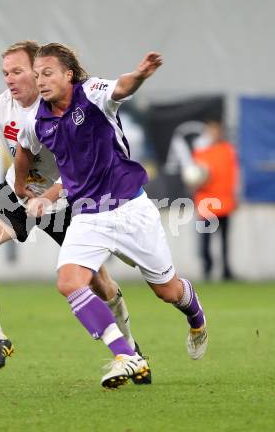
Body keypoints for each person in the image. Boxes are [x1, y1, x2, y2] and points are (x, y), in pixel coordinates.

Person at [0, 41, 150, 382]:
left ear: (39, 72)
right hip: (21, 193)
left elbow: (92, 153)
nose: (11, 79)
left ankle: (131, 351)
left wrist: (51, 196)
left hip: (71, 198)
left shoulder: (65, 102)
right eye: (6, 73)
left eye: (18, 71)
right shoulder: (1, 106)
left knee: (99, 282)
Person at [15, 43, 207, 389]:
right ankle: (126, 354)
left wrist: (140, 76)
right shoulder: (36, 121)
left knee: (167, 291)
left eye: (48, 73)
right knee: (69, 282)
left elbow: (122, 86)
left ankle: (196, 317)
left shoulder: (91, 93)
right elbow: (26, 153)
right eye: (37, 74)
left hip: (131, 210)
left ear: (68, 74)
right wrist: (35, 194)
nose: (40, 81)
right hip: (87, 216)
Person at [192, 121, 238, 280]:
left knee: (225, 240)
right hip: (206, 203)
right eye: (211, 131)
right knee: (205, 240)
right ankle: (207, 270)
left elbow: (233, 175)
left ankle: (226, 270)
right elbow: (194, 177)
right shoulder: (200, 152)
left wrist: (234, 196)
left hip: (224, 202)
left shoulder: (227, 150)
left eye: (217, 131)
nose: (214, 134)